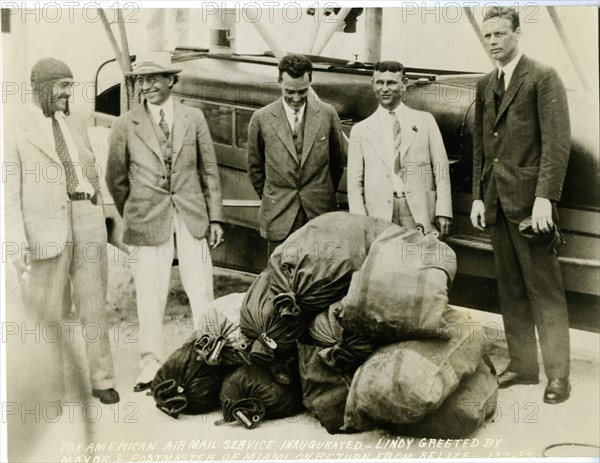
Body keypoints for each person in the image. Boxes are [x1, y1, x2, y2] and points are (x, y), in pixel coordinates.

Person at [106, 52, 224, 392]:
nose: (148, 85)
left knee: (201, 288)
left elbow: (209, 171)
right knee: (150, 292)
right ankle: (150, 363)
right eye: (142, 79)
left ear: (172, 80)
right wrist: (135, 210)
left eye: (155, 77)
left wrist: (215, 217)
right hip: (147, 219)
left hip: (192, 216)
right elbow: (116, 179)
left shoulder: (194, 118)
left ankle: (209, 358)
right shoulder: (125, 125)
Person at [4, 57, 119, 404]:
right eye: (62, 87)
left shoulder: (76, 121)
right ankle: (50, 388)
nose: (69, 94)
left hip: (86, 217)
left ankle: (102, 380)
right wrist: (16, 242)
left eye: (70, 86)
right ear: (41, 88)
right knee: (46, 311)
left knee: (94, 304)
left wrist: (97, 207)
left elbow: (90, 168)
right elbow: (8, 194)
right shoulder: (13, 128)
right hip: (44, 229)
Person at [470, 7, 571, 404]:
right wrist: (479, 195)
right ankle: (523, 365)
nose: (493, 41)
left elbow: (556, 143)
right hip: (496, 202)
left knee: (544, 291)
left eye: (499, 33)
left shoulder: (543, 77)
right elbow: (481, 143)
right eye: (487, 34)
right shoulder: (485, 84)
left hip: (532, 206)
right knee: (510, 289)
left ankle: (558, 376)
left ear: (517, 34)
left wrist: (546, 197)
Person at [247, 54, 345, 253]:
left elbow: (337, 163)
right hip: (278, 217)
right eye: (290, 91)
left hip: (319, 216)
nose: (296, 98)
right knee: (279, 279)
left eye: (303, 91)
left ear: (310, 82)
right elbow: (255, 168)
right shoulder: (261, 118)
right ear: (279, 83)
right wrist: (274, 197)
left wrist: (318, 194)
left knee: (319, 279)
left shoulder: (328, 114)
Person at [347, 61, 452, 236]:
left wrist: (443, 210)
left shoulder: (425, 121)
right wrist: (360, 220)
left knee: (419, 261)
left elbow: (441, 169)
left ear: (404, 84)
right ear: (373, 85)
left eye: (391, 82)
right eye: (380, 83)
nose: (385, 88)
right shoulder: (361, 130)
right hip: (378, 215)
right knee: (383, 261)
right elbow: (354, 183)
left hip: (419, 212)